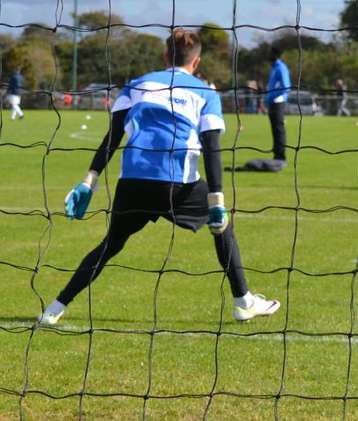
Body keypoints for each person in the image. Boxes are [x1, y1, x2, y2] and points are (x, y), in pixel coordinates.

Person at [39, 28, 280, 326]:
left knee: (110, 245)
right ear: (197, 62)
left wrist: (89, 180)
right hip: (178, 185)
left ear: (166, 56)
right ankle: (243, 302)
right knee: (222, 227)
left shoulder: (137, 85)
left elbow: (113, 136)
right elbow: (212, 147)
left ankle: (54, 308)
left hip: (133, 182)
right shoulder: (205, 92)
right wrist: (216, 199)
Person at [264, 46, 291, 168]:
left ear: (275, 54)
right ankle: (277, 155)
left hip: (278, 102)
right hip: (273, 102)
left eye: (270, 53)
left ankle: (281, 156)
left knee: (279, 129)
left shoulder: (281, 67)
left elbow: (286, 87)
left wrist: (272, 96)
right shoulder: (274, 67)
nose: (268, 55)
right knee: (275, 130)